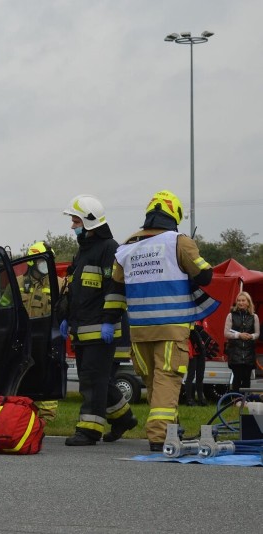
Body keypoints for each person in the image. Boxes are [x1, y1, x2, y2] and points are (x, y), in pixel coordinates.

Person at [109, 190, 219, 452]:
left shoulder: (126, 246)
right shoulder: (178, 241)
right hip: (171, 327)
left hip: (139, 331)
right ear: (175, 215)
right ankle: (160, 436)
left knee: (153, 382)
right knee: (167, 380)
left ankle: (172, 429)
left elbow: (116, 286)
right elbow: (205, 275)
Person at [60, 194, 137, 446]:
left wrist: (108, 320)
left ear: (89, 222)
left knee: (92, 382)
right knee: (96, 380)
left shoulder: (109, 249)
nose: (73, 226)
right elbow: (75, 290)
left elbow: (115, 288)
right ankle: (124, 418)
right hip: (82, 330)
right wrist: (65, 318)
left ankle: (89, 430)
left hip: (101, 331)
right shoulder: (83, 252)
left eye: (76, 221)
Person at [18, 241, 64, 422]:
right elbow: (6, 306)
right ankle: (24, 413)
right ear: (32, 262)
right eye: (42, 261)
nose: (46, 265)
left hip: (47, 337)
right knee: (24, 374)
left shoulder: (59, 284)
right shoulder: (18, 283)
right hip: (23, 337)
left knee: (48, 374)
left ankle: (47, 417)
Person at [224, 291, 260, 393]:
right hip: (235, 353)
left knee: (246, 379)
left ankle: (245, 401)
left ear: (248, 302)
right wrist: (239, 335)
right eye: (239, 301)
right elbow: (226, 333)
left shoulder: (254, 317)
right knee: (237, 378)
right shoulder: (230, 316)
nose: (240, 303)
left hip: (249, 353)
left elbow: (257, 334)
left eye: (243, 300)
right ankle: (236, 401)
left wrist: (250, 336)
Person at [185, 321, 213, 406]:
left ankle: (201, 399)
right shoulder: (189, 322)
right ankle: (189, 399)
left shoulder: (201, 322)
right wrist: (189, 354)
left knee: (200, 376)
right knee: (191, 376)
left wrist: (204, 348)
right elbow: (188, 339)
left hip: (201, 352)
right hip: (192, 353)